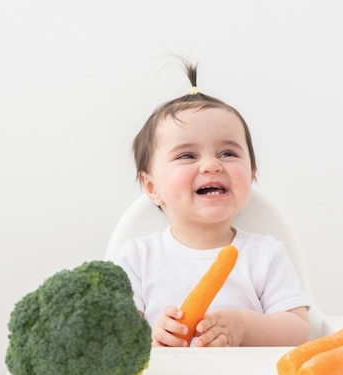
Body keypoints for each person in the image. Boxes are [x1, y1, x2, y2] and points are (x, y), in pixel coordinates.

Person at [114, 60, 310, 347]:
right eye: (187, 156)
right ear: (152, 187)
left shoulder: (265, 254)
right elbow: (116, 336)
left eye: (228, 153)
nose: (211, 165)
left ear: (252, 175)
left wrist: (244, 327)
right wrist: (151, 337)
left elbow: (298, 328)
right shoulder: (137, 257)